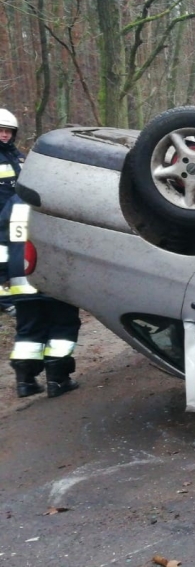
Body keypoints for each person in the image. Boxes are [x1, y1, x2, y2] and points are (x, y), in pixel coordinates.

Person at [1, 193, 82, 398]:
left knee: (28, 330)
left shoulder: (14, 201)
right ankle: (57, 380)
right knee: (62, 326)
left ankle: (25, 382)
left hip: (21, 276)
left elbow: (2, 241)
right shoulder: (59, 197)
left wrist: (3, 273)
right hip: (54, 273)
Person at [0, 109, 24, 316]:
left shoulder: (18, 157)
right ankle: (5, 300)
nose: (5, 135)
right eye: (1, 131)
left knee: (14, 258)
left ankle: (14, 297)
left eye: (8, 131)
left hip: (16, 217)